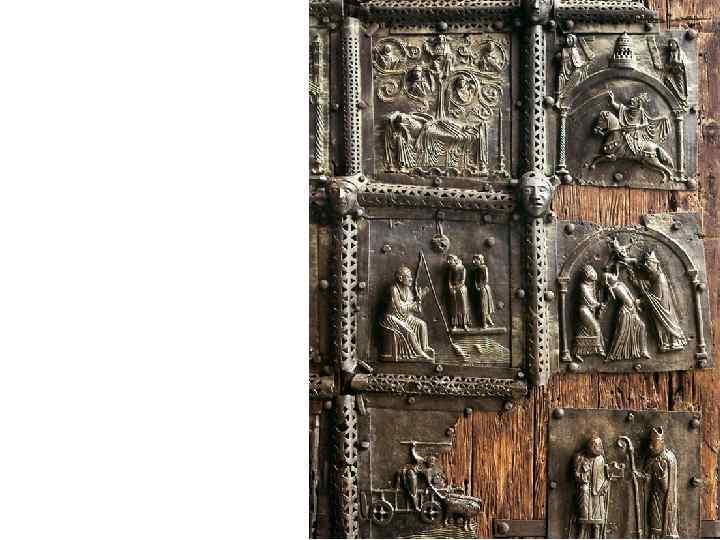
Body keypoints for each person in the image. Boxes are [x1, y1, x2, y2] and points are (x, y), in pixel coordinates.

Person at [633, 251, 687, 352]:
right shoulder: (655, 276)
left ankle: (672, 343)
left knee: (664, 323)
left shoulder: (660, 278)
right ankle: (666, 343)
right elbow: (650, 285)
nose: (646, 266)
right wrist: (638, 282)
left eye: (648, 263)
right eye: (645, 263)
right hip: (659, 308)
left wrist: (641, 301)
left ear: (655, 264)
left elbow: (656, 298)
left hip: (662, 309)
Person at [380, 265, 434, 361]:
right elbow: (398, 308)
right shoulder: (394, 289)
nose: (411, 279)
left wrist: (419, 299)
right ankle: (420, 354)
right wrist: (412, 305)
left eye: (411, 277)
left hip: (405, 316)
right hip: (393, 317)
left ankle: (424, 348)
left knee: (422, 324)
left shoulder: (408, 290)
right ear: (400, 278)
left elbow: (415, 309)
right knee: (409, 332)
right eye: (408, 277)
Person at [634, 427, 679, 539]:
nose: (650, 446)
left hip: (665, 501)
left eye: (654, 444)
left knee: (662, 525)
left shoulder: (668, 459)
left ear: (662, 442)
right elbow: (647, 478)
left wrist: (661, 475)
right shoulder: (651, 459)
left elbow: (666, 487)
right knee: (653, 526)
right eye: (650, 443)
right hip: (654, 497)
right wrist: (639, 476)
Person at [605, 91, 671, 157]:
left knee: (628, 145)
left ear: (638, 104)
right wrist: (612, 101)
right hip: (625, 131)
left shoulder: (641, 112)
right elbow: (619, 108)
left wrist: (637, 127)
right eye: (632, 100)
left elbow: (646, 124)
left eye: (634, 101)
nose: (631, 100)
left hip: (635, 135)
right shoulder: (627, 110)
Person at [604, 271, 651, 361]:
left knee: (642, 326)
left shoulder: (621, 284)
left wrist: (637, 305)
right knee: (621, 333)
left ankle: (643, 351)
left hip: (632, 309)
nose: (613, 275)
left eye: (612, 274)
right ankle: (612, 355)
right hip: (625, 312)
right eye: (611, 275)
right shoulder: (612, 289)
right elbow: (610, 299)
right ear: (608, 280)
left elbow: (630, 295)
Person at [573, 434, 610, 539]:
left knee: (597, 523)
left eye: (600, 445)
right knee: (583, 522)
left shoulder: (600, 459)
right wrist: (583, 478)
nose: (599, 448)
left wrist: (605, 485)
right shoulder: (580, 458)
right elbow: (576, 474)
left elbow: (603, 476)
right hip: (584, 493)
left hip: (597, 494)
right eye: (596, 446)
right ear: (591, 446)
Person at [396, 442, 447, 511]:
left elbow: (429, 483)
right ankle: (416, 507)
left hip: (411, 472)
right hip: (411, 472)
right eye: (430, 462)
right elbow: (414, 454)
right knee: (413, 491)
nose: (431, 464)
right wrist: (413, 446)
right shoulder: (421, 461)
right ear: (427, 461)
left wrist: (434, 490)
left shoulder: (427, 471)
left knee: (414, 490)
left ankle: (415, 505)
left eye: (432, 463)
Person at [573, 265, 606, 360]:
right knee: (596, 328)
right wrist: (599, 304)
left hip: (590, 311)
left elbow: (594, 297)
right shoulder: (583, 286)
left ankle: (577, 352)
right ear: (587, 274)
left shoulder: (592, 285)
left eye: (593, 271)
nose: (594, 273)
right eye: (591, 272)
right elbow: (590, 300)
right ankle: (599, 349)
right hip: (584, 310)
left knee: (583, 332)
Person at [447, 254, 471, 331]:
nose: (448, 262)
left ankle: (464, 324)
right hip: (453, 290)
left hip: (461, 289)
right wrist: (451, 288)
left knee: (463, 307)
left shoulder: (462, 268)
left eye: (450, 260)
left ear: (454, 260)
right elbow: (449, 280)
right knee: (454, 307)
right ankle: (455, 324)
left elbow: (463, 281)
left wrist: (455, 288)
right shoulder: (451, 269)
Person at [472, 254, 495, 328]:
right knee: (483, 306)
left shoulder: (484, 268)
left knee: (484, 306)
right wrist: (477, 286)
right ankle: (489, 322)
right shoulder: (477, 269)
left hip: (484, 289)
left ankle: (485, 323)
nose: (473, 261)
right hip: (481, 288)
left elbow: (486, 280)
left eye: (475, 260)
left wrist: (481, 287)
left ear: (480, 260)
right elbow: (476, 280)